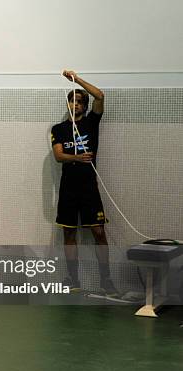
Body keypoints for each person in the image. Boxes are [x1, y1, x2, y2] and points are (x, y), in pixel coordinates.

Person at [51, 69, 118, 297]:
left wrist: (76, 80)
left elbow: (100, 96)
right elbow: (58, 155)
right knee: (69, 235)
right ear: (68, 104)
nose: (76, 104)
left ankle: (106, 280)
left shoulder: (91, 123)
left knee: (99, 233)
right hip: (68, 189)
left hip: (89, 188)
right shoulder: (59, 129)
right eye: (72, 100)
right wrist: (77, 157)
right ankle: (72, 277)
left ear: (84, 106)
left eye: (80, 101)